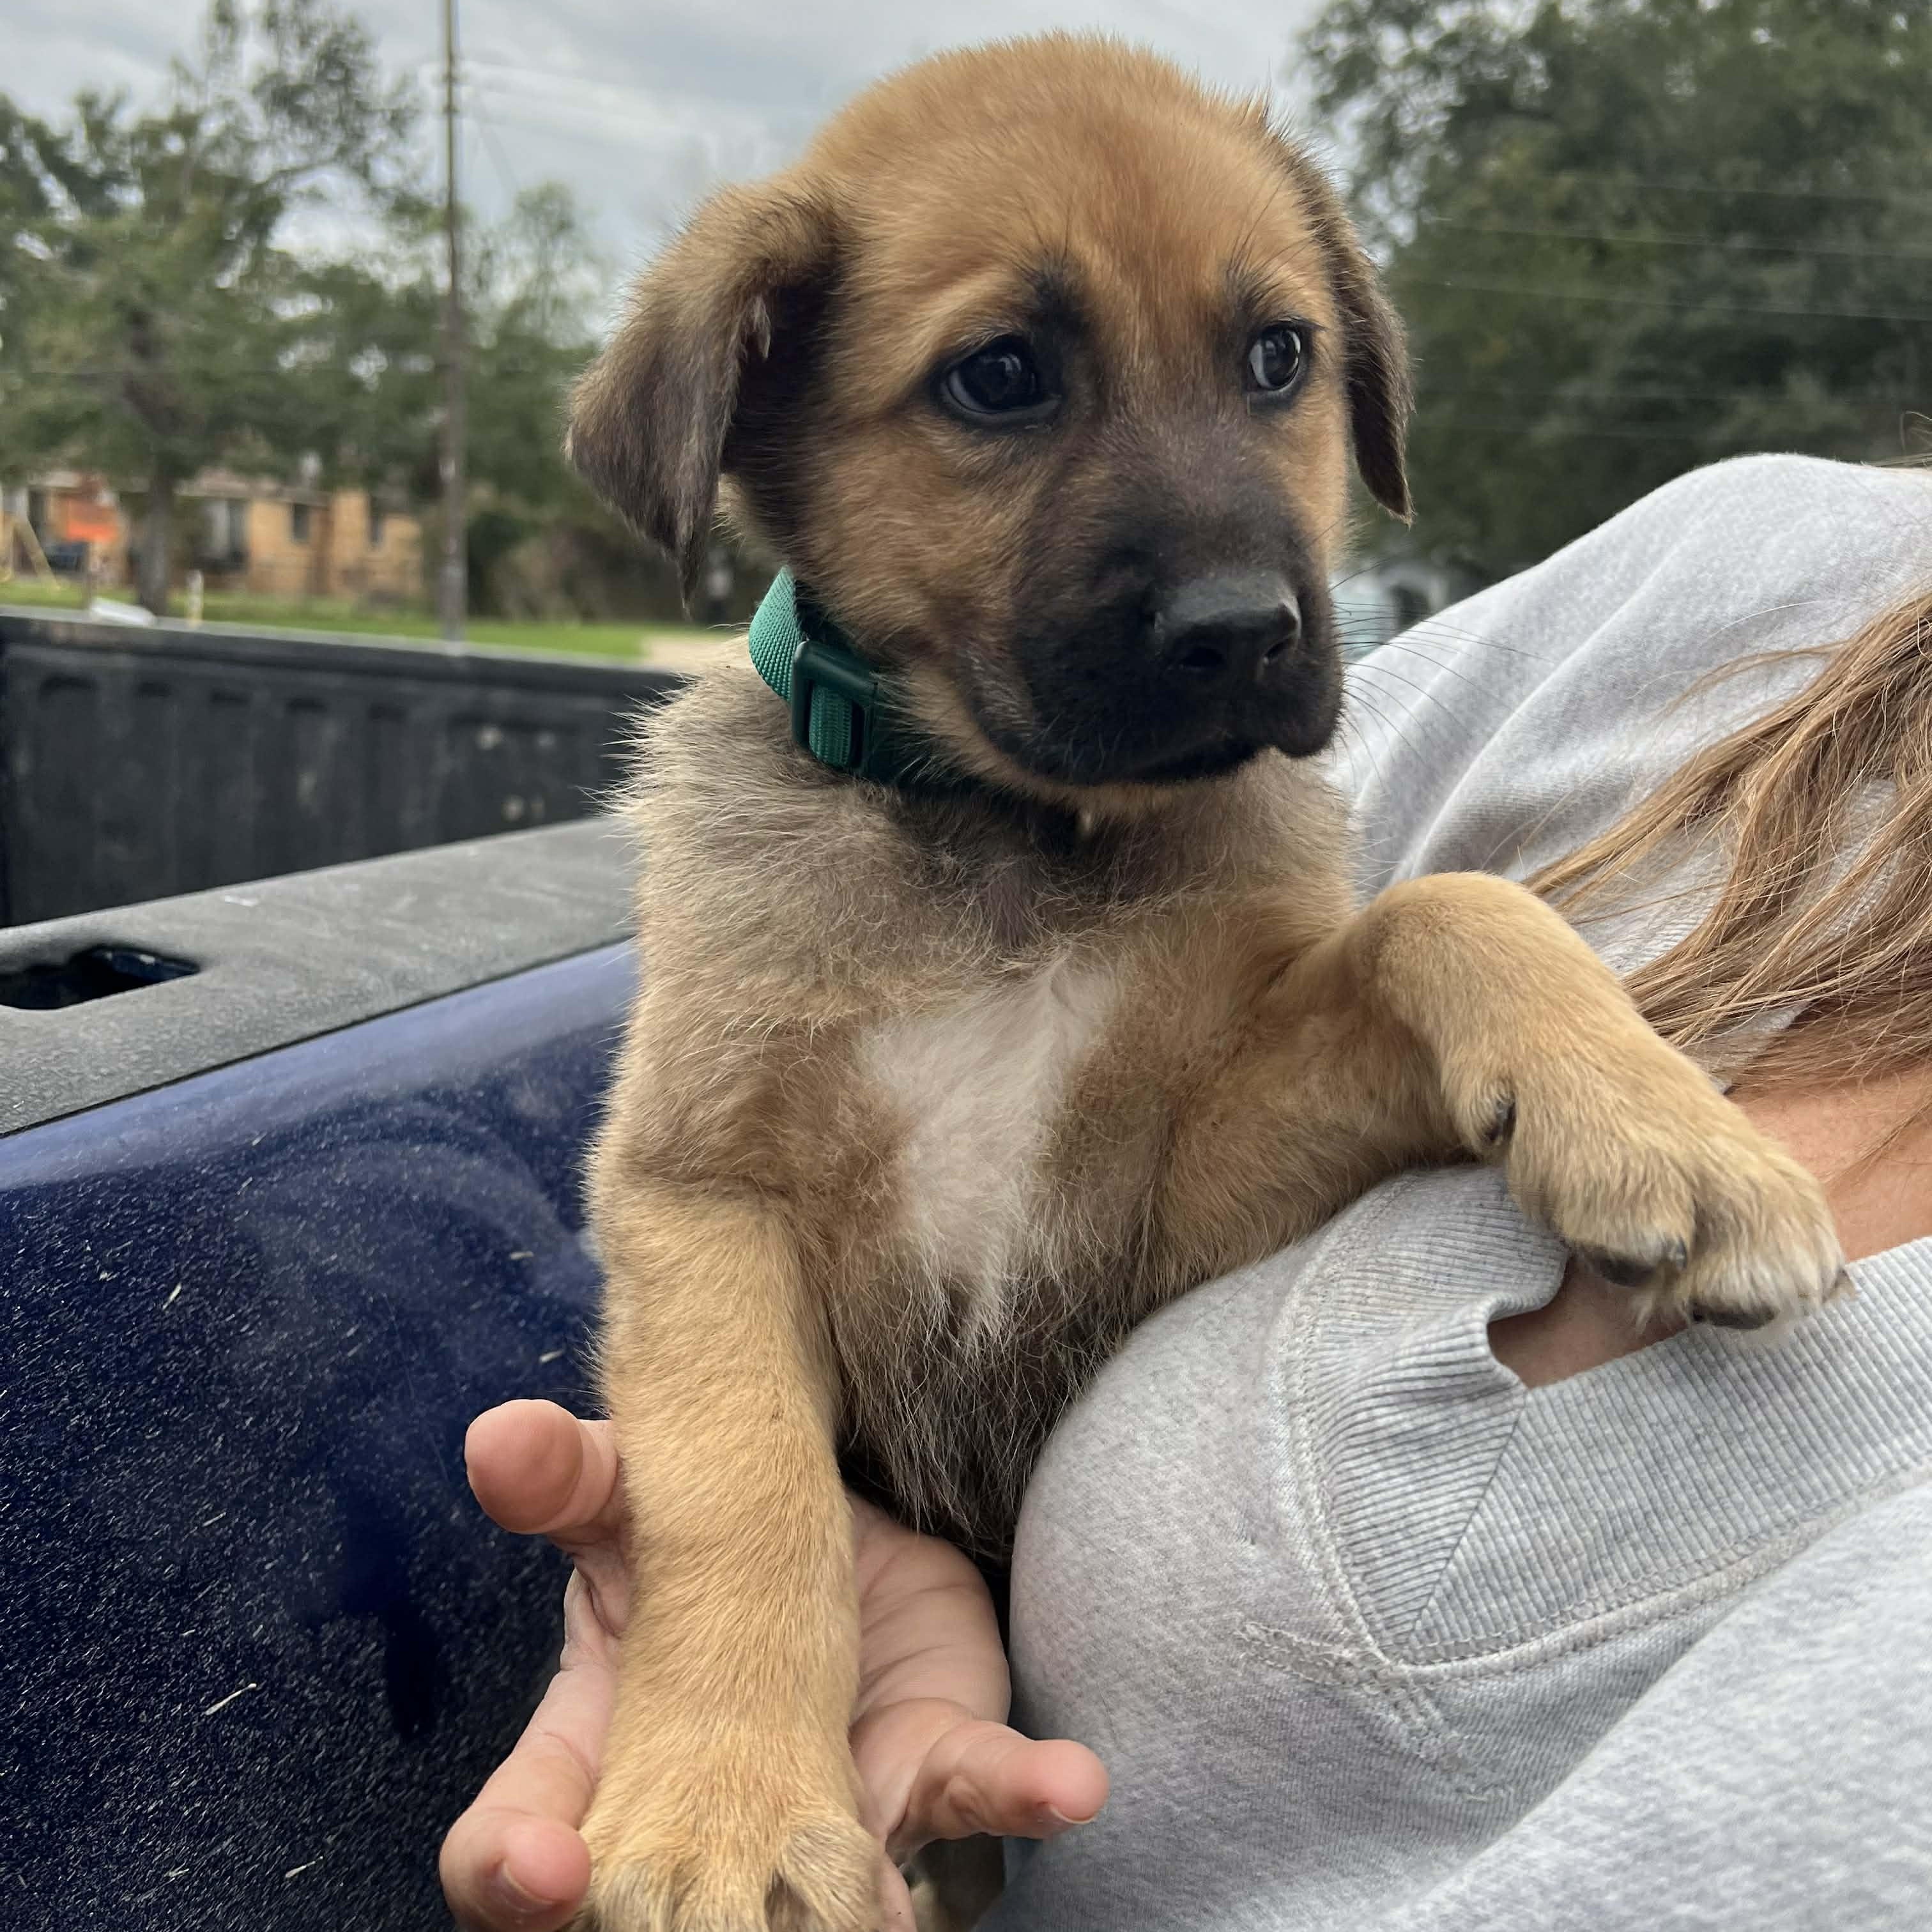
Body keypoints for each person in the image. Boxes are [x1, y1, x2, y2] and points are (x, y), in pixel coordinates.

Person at [441, 454, 1932, 1931]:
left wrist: (1491, 974)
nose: (1234, 585)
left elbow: (1225, 1125)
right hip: (894, 1677)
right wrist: (740, 1656)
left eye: (1276, 361)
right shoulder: (1762, 569)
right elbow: (711, 1198)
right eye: (1001, 383)